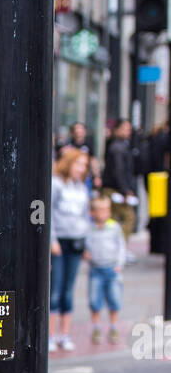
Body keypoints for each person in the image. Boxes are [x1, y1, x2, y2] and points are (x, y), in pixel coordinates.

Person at [49, 147, 91, 351]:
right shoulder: (56, 184)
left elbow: (85, 216)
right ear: (69, 163)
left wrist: (86, 243)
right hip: (59, 242)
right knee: (54, 289)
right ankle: (50, 335)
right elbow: (47, 213)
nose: (82, 169)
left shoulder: (81, 187)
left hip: (76, 241)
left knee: (68, 289)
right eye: (79, 164)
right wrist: (52, 240)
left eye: (84, 166)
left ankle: (64, 335)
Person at [83, 193, 126, 346]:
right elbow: (86, 245)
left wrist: (119, 264)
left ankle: (113, 327)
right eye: (100, 210)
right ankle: (96, 327)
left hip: (112, 268)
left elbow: (121, 246)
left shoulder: (114, 227)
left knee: (114, 299)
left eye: (106, 210)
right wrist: (86, 254)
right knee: (95, 300)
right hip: (96, 269)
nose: (103, 214)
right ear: (92, 213)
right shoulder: (89, 228)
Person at [101, 119, 139, 259]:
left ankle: (113, 248)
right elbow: (118, 171)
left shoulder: (120, 145)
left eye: (129, 129)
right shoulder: (117, 147)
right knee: (128, 217)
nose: (127, 132)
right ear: (116, 130)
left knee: (112, 219)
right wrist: (125, 190)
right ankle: (119, 248)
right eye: (124, 129)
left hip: (113, 189)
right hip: (114, 190)